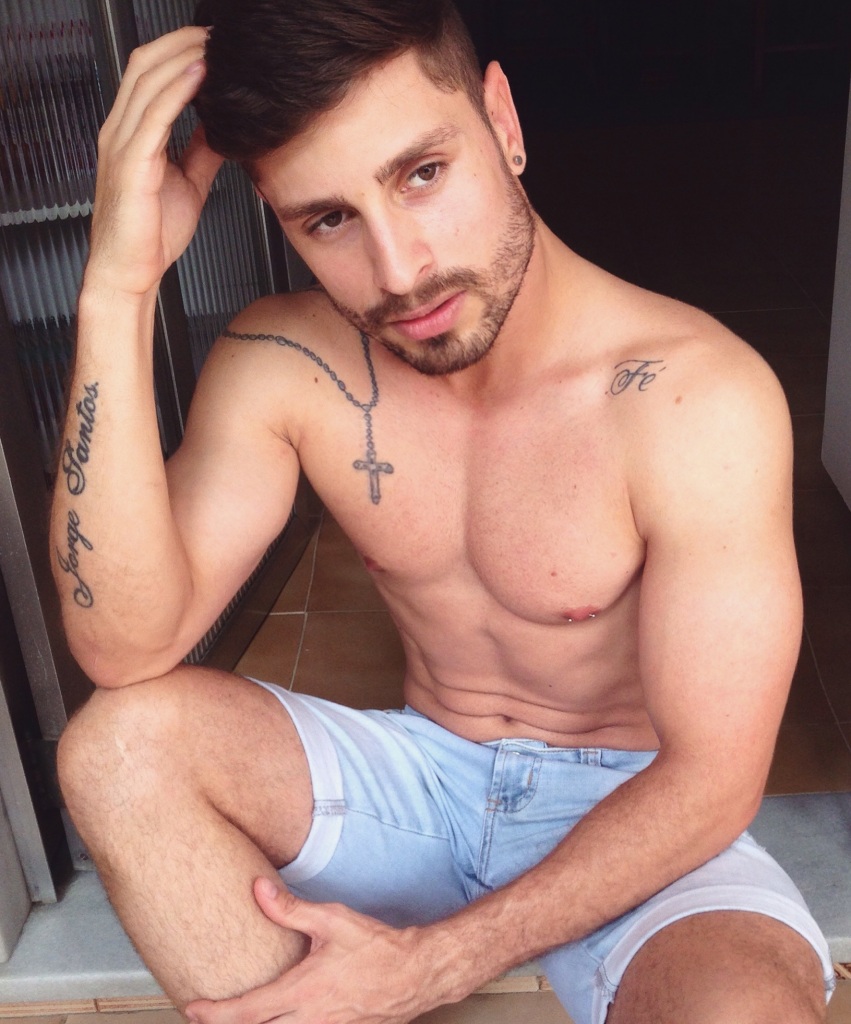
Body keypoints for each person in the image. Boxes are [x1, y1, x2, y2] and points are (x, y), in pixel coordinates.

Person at [52, 2, 835, 1022]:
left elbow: (713, 779)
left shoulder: (692, 398)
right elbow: (124, 646)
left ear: (502, 121)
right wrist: (118, 286)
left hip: (631, 809)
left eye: (421, 173)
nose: (400, 270)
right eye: (327, 220)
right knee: (117, 749)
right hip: (417, 788)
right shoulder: (282, 362)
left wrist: (433, 963)